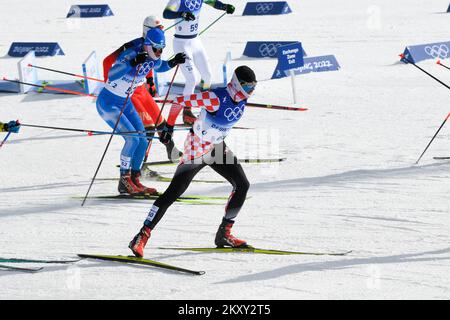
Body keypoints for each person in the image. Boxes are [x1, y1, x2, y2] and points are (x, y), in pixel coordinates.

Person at [129, 66, 257, 258]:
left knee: (243, 184)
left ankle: (224, 234)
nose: (251, 92)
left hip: (215, 147)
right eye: (248, 88)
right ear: (238, 84)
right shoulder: (214, 98)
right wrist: (169, 127)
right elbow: (178, 101)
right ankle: (141, 236)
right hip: (196, 149)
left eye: (254, 88)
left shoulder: (240, 98)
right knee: (173, 192)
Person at [97, 27, 186, 196]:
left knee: (143, 139)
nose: (159, 52)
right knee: (132, 139)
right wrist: (132, 62)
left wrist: (174, 61)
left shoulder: (152, 56)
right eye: (156, 48)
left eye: (162, 49)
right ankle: (124, 181)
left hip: (125, 101)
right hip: (108, 103)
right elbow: (112, 74)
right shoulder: (131, 54)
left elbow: (160, 66)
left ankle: (135, 179)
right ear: (147, 45)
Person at [103, 15, 183, 162]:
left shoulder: (154, 45)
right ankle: (140, 163)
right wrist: (108, 82)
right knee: (148, 128)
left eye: (161, 29)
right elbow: (107, 61)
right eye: (157, 29)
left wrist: (150, 80)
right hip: (130, 92)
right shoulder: (132, 47)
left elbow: (151, 63)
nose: (161, 33)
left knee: (161, 122)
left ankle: (171, 151)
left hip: (142, 90)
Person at [163, 0, 235, 125]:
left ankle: (205, 105)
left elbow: (213, 2)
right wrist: (182, 14)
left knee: (207, 76)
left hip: (195, 41)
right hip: (181, 43)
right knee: (191, 79)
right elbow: (166, 13)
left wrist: (225, 6)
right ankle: (187, 112)